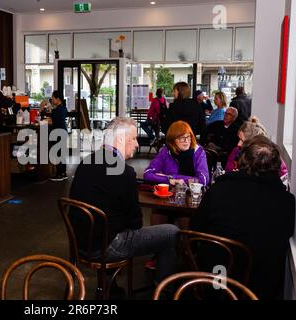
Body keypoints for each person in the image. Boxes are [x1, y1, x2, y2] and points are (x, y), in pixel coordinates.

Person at [69, 117, 179, 294]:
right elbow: (136, 223)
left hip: (80, 241)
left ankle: (108, 287)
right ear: (120, 139)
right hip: (105, 247)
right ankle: (163, 293)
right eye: (133, 138)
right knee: (171, 233)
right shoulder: (124, 172)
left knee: (111, 224)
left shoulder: (86, 163)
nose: (136, 144)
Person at [191, 136, 295, 299]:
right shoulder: (287, 202)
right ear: (276, 165)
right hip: (260, 287)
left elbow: (195, 228)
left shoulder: (219, 190)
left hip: (217, 281)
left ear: (242, 161)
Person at [144, 120, 209, 226]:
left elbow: (203, 180)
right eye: (181, 138)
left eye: (188, 137)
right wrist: (170, 180)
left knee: (185, 220)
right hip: (168, 197)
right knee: (157, 216)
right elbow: (148, 174)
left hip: (190, 198)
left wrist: (173, 178)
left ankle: (185, 242)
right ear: (172, 141)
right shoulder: (166, 151)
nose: (186, 141)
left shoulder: (198, 152)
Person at [225, 117, 288, 185]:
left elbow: (281, 183)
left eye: (242, 141)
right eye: (239, 139)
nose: (238, 144)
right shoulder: (236, 151)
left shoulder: (273, 159)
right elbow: (228, 171)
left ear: (254, 143)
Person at [48, 90, 69, 182]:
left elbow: (54, 122)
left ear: (57, 99)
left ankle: (59, 174)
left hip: (58, 133)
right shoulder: (63, 108)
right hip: (63, 132)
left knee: (58, 154)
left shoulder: (57, 110)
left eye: (53, 98)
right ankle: (63, 173)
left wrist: (47, 121)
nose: (52, 100)